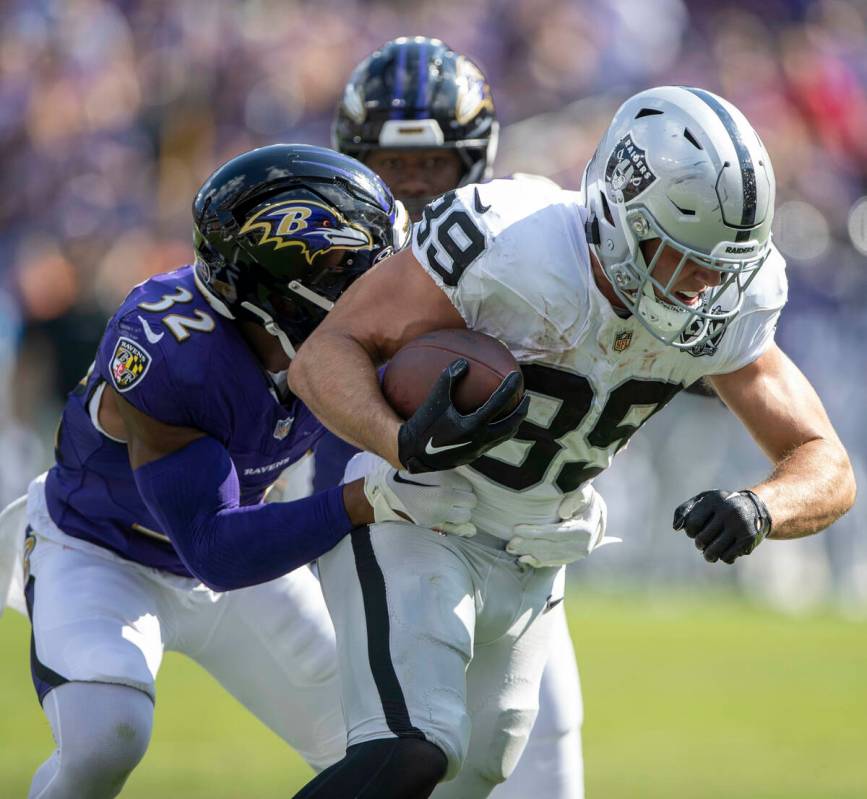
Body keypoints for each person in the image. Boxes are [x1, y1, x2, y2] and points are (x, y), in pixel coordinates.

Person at [287, 86, 856, 799]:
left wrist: (760, 506)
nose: (704, 285)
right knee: (412, 749)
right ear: (620, 211)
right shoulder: (511, 244)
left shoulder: (728, 297)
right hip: (418, 511)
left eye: (721, 264)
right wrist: (398, 441)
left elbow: (824, 460)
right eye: (680, 255)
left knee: (475, 778)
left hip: (536, 546)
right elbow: (326, 352)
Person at [6, 143, 505, 799]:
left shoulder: (317, 336)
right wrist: (363, 500)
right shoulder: (173, 353)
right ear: (284, 290)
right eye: (353, 271)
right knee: (106, 734)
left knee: (381, 743)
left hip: (234, 560)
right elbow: (216, 546)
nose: (381, 289)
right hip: (102, 553)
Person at [330, 36, 590, 798]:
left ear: (472, 163)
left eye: (432, 165)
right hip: (380, 540)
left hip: (514, 545)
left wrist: (576, 483)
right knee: (402, 759)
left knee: (545, 764)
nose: (411, 187)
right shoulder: (327, 247)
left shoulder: (510, 245)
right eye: (392, 164)